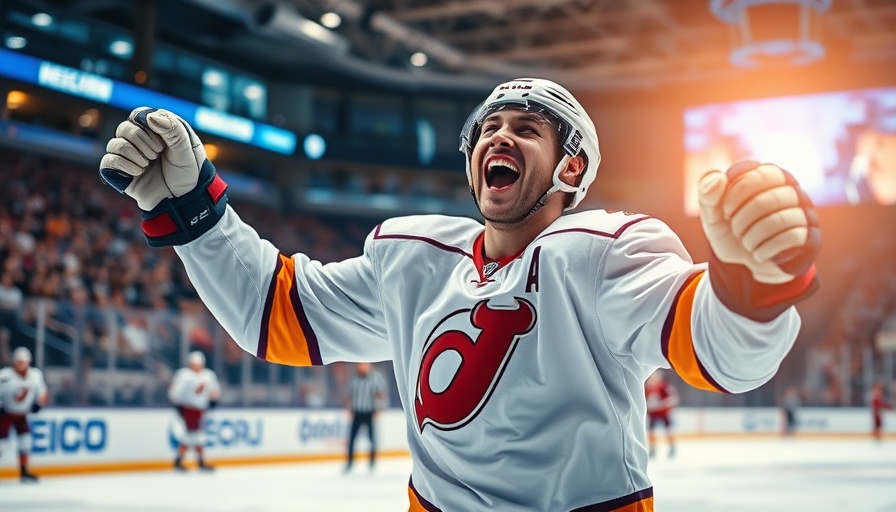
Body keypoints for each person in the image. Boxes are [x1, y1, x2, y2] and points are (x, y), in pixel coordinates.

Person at [99, 78, 821, 511]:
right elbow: (274, 315)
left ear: (571, 168)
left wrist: (751, 286)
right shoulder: (412, 257)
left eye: (526, 129)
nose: (498, 137)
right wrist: (197, 214)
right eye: (488, 129)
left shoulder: (606, 251)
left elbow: (722, 355)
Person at [0, 347, 48, 482]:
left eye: (23, 362)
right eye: (19, 362)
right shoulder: (4, 375)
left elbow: (42, 392)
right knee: (1, 444)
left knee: (25, 442)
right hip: (6, 414)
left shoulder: (35, 375)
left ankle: (24, 470)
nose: (21, 365)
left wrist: (39, 403)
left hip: (22, 414)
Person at [168, 350, 220, 471]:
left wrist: (213, 400)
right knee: (195, 435)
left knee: (192, 435)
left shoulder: (208, 375)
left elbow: (215, 390)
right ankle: (197, 461)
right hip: (189, 409)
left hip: (201, 410)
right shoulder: (184, 375)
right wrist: (178, 404)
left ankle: (181, 460)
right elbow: (174, 392)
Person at [344, 362, 387, 473]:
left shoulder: (375, 378)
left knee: (372, 439)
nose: (362, 367)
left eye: (364, 364)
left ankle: (372, 462)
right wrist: (349, 409)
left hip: (369, 412)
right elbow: (349, 394)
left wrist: (379, 409)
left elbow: (381, 394)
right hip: (357, 412)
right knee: (352, 439)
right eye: (360, 365)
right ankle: (350, 462)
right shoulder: (354, 378)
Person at [645, 370, 678, 458]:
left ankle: (672, 447)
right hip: (653, 414)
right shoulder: (649, 387)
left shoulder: (664, 386)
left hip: (664, 413)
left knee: (668, 431)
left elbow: (672, 399)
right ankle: (652, 448)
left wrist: (661, 404)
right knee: (651, 432)